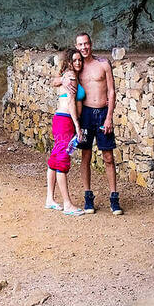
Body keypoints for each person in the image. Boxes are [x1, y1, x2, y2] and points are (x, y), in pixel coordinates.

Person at [54, 32, 121, 215]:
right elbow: (55, 80)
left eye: (86, 44)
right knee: (86, 156)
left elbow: (112, 92)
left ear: (91, 44)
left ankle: (114, 198)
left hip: (102, 114)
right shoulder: (77, 67)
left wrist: (109, 117)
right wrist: (61, 79)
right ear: (77, 46)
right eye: (80, 45)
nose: (83, 47)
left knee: (108, 156)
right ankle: (88, 197)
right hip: (86, 115)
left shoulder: (103, 64)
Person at [46, 48, 86, 215]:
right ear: (69, 61)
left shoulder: (68, 75)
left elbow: (54, 82)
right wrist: (77, 125)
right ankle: (68, 204)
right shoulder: (71, 77)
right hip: (66, 120)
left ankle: (50, 199)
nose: (78, 63)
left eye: (80, 60)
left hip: (60, 119)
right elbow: (70, 101)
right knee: (62, 159)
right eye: (75, 60)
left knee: (56, 157)